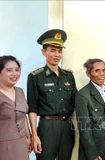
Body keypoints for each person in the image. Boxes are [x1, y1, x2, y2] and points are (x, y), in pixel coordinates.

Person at [27, 29, 77, 160]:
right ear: (43, 52)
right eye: (53, 50)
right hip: (47, 126)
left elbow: (76, 101)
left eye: (60, 51)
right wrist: (34, 135)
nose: (57, 55)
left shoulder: (69, 76)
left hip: (67, 126)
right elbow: (32, 107)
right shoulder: (35, 77)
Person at [75, 58, 105, 160]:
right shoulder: (83, 95)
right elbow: (84, 128)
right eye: (97, 71)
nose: (102, 74)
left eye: (104, 70)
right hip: (96, 149)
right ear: (88, 74)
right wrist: (92, 154)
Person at [0, 55, 32, 160]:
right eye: (9, 70)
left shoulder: (19, 91)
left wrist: (29, 137)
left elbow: (23, 116)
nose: (15, 74)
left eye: (17, 70)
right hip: (3, 146)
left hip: (21, 144)